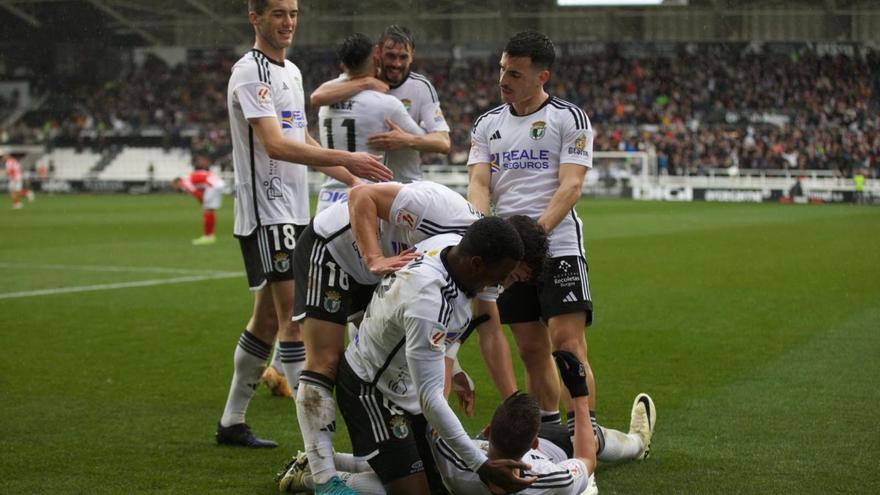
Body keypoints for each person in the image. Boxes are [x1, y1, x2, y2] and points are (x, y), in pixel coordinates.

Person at [216, 0, 392, 450]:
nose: (288, 22)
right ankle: (314, 447)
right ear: (254, 17)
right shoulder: (249, 71)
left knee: (267, 323)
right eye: (277, 13)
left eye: (293, 13)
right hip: (267, 214)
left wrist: (355, 179)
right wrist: (346, 156)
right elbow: (275, 145)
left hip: (295, 212)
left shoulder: (290, 72)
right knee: (296, 322)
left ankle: (232, 423)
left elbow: (302, 139)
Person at [293, 180, 536, 493]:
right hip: (335, 252)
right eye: (506, 277)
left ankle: (342, 463)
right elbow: (361, 194)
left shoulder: (459, 250)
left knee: (430, 480)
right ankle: (322, 479)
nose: (502, 286)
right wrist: (482, 464)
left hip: (393, 307)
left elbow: (442, 328)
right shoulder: (439, 232)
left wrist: (455, 367)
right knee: (325, 360)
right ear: (480, 263)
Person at [468, 30, 618, 458]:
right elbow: (479, 182)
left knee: (566, 343)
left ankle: (583, 427)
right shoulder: (486, 124)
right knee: (531, 347)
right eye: (502, 70)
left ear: (542, 76)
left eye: (514, 73)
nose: (504, 79)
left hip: (558, 243)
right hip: (509, 253)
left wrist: (534, 234)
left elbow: (571, 186)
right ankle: (549, 429)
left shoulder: (569, 118)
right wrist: (482, 227)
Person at [311, 25, 451, 185]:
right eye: (391, 56)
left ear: (412, 56)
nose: (397, 64)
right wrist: (366, 83)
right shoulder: (358, 79)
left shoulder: (420, 87)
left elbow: (443, 143)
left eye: (403, 57)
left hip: (406, 185)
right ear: (378, 53)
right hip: (365, 186)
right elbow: (317, 97)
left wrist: (407, 140)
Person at [314, 33, 427, 212]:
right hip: (363, 201)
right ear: (375, 56)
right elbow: (423, 141)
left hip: (327, 201)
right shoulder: (386, 104)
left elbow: (317, 96)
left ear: (343, 64)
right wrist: (404, 138)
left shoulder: (326, 101)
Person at [172, 157, 226, 245]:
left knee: (208, 211)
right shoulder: (190, 176)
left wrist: (202, 203)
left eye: (174, 186)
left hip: (213, 185)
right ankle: (210, 235)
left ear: (178, 182)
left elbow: (195, 192)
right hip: (217, 183)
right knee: (210, 211)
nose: (175, 188)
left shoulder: (185, 182)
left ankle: (208, 236)